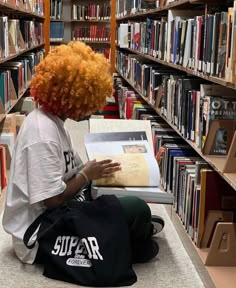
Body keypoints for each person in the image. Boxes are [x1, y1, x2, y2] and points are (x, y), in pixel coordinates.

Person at [2, 41, 164, 280]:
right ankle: (134, 234)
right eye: (91, 100)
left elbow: (76, 172)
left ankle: (133, 232)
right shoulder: (41, 133)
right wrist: (87, 174)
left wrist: (142, 162)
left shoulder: (55, 123)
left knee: (129, 206)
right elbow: (53, 200)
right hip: (40, 231)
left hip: (65, 208)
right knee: (136, 210)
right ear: (74, 97)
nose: (93, 109)